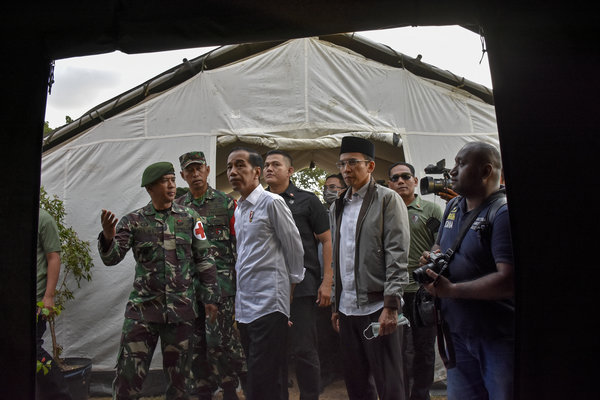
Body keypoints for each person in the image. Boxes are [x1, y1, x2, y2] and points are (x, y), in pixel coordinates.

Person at [98, 161, 219, 400]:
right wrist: (108, 237)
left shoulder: (191, 218)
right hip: (143, 311)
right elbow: (112, 259)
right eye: (165, 181)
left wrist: (211, 298)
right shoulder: (133, 221)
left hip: (181, 312)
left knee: (181, 385)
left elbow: (204, 259)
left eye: (173, 179)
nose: (172, 185)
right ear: (150, 187)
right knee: (127, 380)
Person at [421, 141, 514, 400]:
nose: (452, 171)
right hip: (457, 333)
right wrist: (433, 256)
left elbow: (508, 281)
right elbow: (441, 244)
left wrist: (451, 291)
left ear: (486, 172)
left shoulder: (503, 213)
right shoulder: (453, 206)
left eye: (461, 164)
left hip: (496, 336)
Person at [330, 136, 410, 400]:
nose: (346, 170)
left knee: (388, 383)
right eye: (342, 164)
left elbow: (397, 254)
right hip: (347, 307)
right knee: (356, 383)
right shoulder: (337, 205)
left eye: (353, 163)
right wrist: (335, 305)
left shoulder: (387, 199)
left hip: (377, 307)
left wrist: (391, 306)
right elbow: (339, 258)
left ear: (371, 166)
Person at [226, 147, 305, 400]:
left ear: (257, 172)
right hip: (247, 306)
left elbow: (294, 248)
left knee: (263, 378)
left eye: (240, 165)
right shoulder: (239, 209)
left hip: (270, 304)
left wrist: (289, 291)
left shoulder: (272, 202)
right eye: (229, 167)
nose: (233, 172)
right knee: (265, 378)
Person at [175, 151, 246, 400]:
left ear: (206, 170)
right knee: (195, 343)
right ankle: (203, 389)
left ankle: (229, 388)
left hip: (222, 285)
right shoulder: (179, 208)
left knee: (220, 341)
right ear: (183, 175)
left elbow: (240, 245)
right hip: (191, 287)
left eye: (198, 169)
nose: (195, 174)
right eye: (189, 171)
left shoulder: (226, 203)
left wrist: (240, 286)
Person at [263, 150, 332, 400]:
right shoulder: (257, 201)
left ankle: (310, 396)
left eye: (276, 164)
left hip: (302, 286)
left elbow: (326, 240)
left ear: (290, 171)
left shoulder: (307, 201)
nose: (269, 168)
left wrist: (327, 280)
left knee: (304, 348)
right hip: (268, 287)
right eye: (266, 165)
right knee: (274, 350)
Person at [388, 162, 443, 400]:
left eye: (405, 176)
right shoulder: (384, 211)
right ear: (389, 184)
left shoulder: (431, 211)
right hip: (393, 292)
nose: (400, 181)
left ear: (415, 180)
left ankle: (421, 395)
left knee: (423, 348)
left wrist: (431, 256)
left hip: (423, 292)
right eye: (395, 178)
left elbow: (442, 244)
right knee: (398, 350)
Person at [36, 208, 72, 400]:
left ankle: (60, 395)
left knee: (33, 349)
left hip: (36, 300)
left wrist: (48, 297)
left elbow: (53, 257)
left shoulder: (43, 219)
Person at [317, 173, 346, 391]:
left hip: (347, 284)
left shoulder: (352, 213)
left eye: (334, 187)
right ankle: (327, 371)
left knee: (346, 330)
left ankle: (346, 371)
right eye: (327, 187)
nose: (329, 191)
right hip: (325, 282)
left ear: (344, 189)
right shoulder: (322, 214)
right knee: (324, 332)